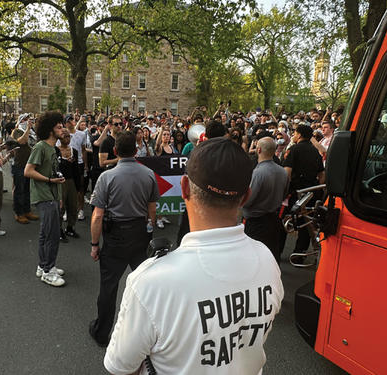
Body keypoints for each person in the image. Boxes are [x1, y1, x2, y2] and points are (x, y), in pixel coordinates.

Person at [104, 137, 284, 374]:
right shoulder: (267, 260)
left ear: (185, 187)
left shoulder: (150, 282)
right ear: (246, 196)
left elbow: (120, 365)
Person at [88, 130, 159, 348]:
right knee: (146, 286)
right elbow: (152, 210)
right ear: (136, 150)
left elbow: (97, 215)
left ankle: (102, 332)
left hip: (116, 235)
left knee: (109, 287)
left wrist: (94, 245)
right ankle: (150, 333)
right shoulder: (148, 174)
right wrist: (149, 229)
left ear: (116, 151)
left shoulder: (106, 177)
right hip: (139, 234)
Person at [24, 110, 66, 287]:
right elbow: (28, 171)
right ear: (50, 129)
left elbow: (54, 173)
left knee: (46, 233)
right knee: (52, 234)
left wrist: (59, 195)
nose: (62, 129)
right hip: (43, 195)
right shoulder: (40, 147)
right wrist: (49, 180)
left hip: (53, 195)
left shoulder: (53, 148)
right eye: (59, 127)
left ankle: (43, 266)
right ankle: (48, 271)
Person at [242, 137, 289, 262]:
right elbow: (284, 194)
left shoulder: (258, 173)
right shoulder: (282, 172)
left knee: (255, 259)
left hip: (256, 223)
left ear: (258, 150)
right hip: (273, 219)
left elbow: (247, 201)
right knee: (271, 256)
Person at [282, 125, 325, 259]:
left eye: (294, 133)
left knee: (283, 221)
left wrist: (284, 191)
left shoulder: (293, 150)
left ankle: (277, 252)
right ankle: (299, 255)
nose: (293, 135)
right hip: (310, 192)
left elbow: (287, 173)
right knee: (305, 225)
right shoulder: (315, 152)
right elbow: (322, 174)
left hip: (294, 192)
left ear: (299, 135)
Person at [10, 113, 39, 224]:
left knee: (27, 189)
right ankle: (19, 213)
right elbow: (22, 141)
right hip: (19, 165)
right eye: (26, 119)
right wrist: (27, 128)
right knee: (19, 190)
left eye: (29, 119)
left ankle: (27, 210)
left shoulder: (32, 133)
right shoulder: (17, 131)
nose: (28, 121)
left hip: (29, 165)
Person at [56, 131, 80, 240]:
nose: (67, 138)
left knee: (73, 206)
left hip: (71, 181)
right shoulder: (55, 151)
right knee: (61, 206)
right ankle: (58, 229)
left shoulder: (74, 151)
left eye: (68, 137)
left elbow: (76, 170)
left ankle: (70, 227)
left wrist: (78, 186)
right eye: (64, 136)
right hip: (60, 181)